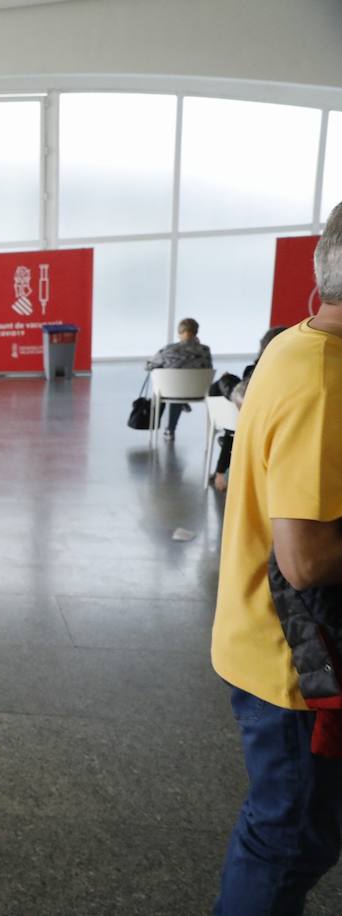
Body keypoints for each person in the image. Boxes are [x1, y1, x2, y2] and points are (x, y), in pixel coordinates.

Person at [211, 202, 342, 915]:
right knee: (290, 837)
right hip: (294, 660)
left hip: (261, 636)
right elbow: (308, 557)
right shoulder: (325, 380)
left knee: (293, 829)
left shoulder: (292, 344)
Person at [209, 326, 287, 492]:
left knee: (223, 385)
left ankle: (220, 472)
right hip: (267, 423)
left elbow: (246, 397)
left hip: (249, 423)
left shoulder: (257, 370)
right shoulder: (291, 373)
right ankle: (220, 471)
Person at [146, 317, 213, 439]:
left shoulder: (168, 349)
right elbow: (208, 367)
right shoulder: (205, 350)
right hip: (198, 391)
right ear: (196, 332)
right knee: (181, 385)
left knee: (172, 385)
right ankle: (183, 402)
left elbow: (149, 365)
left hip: (171, 391)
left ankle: (170, 430)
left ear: (179, 332)